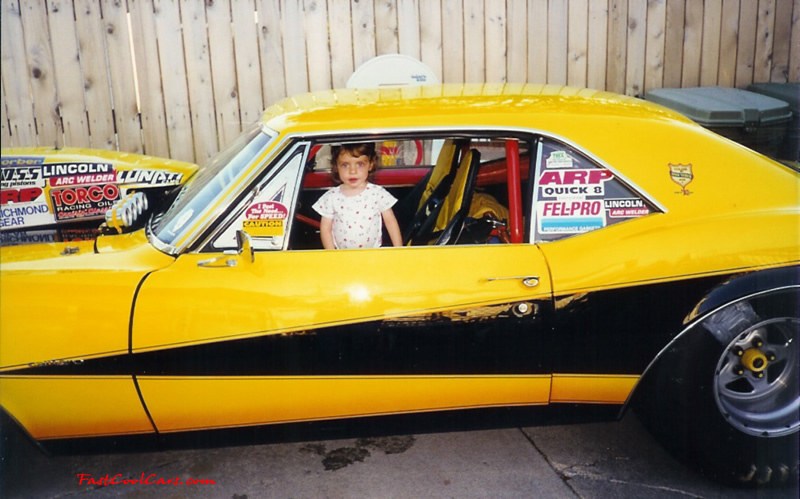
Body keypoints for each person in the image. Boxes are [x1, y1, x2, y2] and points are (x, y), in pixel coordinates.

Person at [312, 143, 403, 249]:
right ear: (336, 166)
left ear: (370, 164)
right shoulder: (331, 197)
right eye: (345, 165)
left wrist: (399, 249)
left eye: (360, 164)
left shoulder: (377, 193)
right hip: (343, 256)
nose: (352, 171)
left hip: (372, 254)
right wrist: (332, 255)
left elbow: (390, 222)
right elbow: (325, 228)